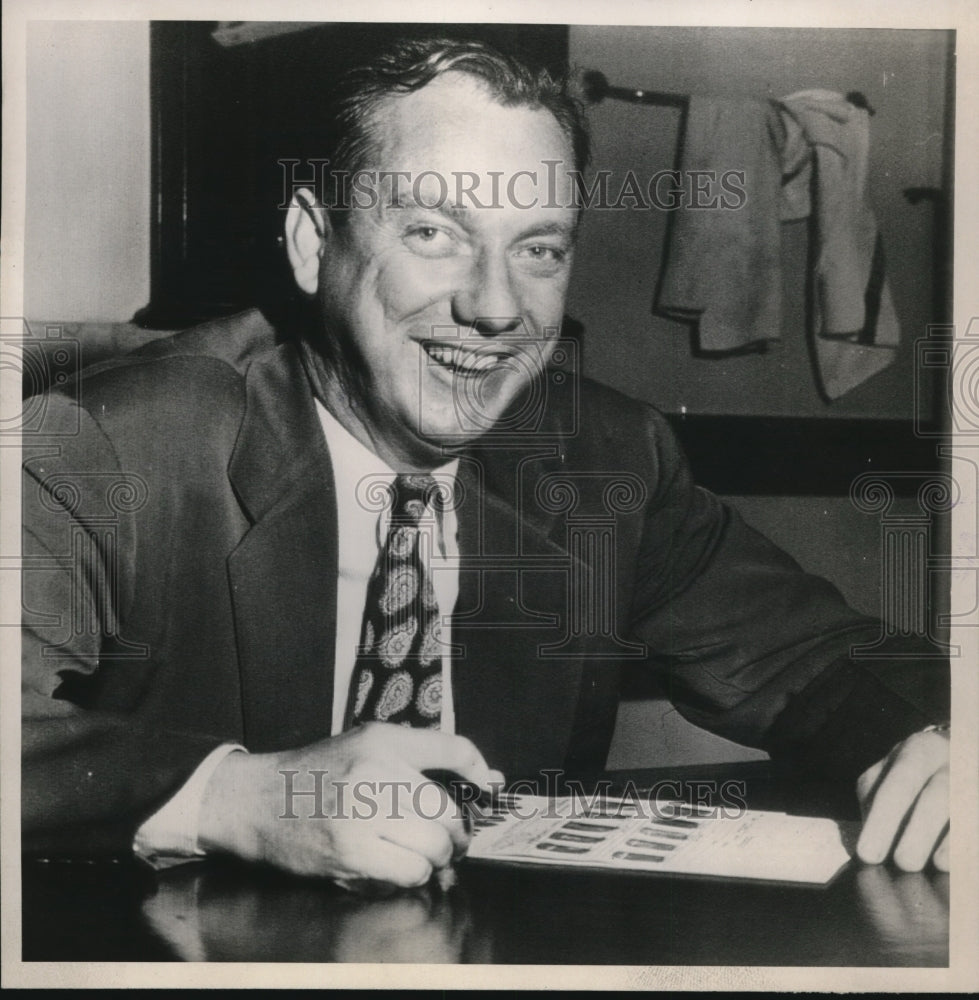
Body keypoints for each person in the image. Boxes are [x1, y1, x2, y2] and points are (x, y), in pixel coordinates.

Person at [21, 37, 949, 890]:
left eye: (537, 249)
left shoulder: (602, 460)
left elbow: (817, 664)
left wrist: (938, 745)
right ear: (314, 242)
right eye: (434, 233)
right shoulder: (112, 444)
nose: (496, 308)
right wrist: (233, 796)